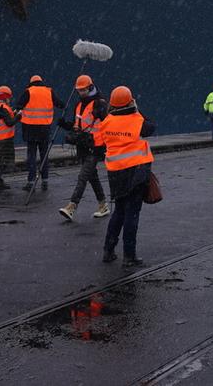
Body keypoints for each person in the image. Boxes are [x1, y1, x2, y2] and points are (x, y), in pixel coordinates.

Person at [101, 86, 155, 268]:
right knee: (132, 214)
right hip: (135, 172)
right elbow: (151, 127)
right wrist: (137, 109)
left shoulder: (107, 121)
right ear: (130, 101)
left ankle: (108, 250)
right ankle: (129, 255)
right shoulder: (136, 119)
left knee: (119, 212)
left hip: (115, 173)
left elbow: (101, 143)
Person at [59, 75, 111, 221]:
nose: (81, 92)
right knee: (92, 177)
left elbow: (109, 125)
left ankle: (72, 206)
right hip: (83, 146)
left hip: (95, 147)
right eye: (79, 90)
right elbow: (78, 126)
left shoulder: (100, 104)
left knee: (83, 176)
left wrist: (107, 146)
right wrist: (65, 125)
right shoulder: (79, 105)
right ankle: (103, 205)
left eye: (83, 90)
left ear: (90, 87)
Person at [15, 74, 63, 191]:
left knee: (31, 156)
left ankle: (31, 182)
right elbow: (61, 104)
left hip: (30, 129)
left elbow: (18, 106)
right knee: (44, 155)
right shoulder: (49, 91)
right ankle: (45, 180)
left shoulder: (28, 92)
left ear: (31, 83)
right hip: (44, 130)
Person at [0, 85, 20, 190]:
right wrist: (19, 116)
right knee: (2, 161)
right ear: (5, 97)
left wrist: (14, 114)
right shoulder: (3, 108)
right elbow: (9, 122)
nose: (9, 100)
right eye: (9, 98)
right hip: (4, 139)